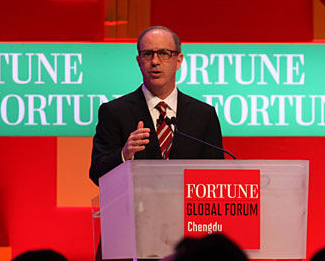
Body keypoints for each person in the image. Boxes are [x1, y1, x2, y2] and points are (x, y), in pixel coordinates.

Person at [89, 25, 224, 185]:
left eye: (163, 53)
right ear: (139, 61)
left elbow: (217, 177)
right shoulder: (114, 112)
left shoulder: (204, 114)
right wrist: (124, 155)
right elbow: (97, 174)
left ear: (178, 60)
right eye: (147, 54)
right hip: (136, 209)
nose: (155, 61)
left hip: (185, 209)